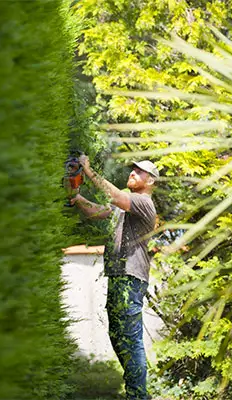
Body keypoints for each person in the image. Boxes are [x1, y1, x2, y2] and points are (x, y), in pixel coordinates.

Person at [71, 155, 158, 400]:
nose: (132, 173)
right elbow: (100, 212)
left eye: (139, 172)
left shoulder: (143, 202)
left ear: (150, 181)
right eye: (132, 170)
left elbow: (114, 196)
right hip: (118, 276)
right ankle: (136, 389)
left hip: (131, 277)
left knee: (130, 339)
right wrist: (78, 200)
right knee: (118, 337)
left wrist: (87, 171)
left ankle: (137, 395)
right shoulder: (125, 204)